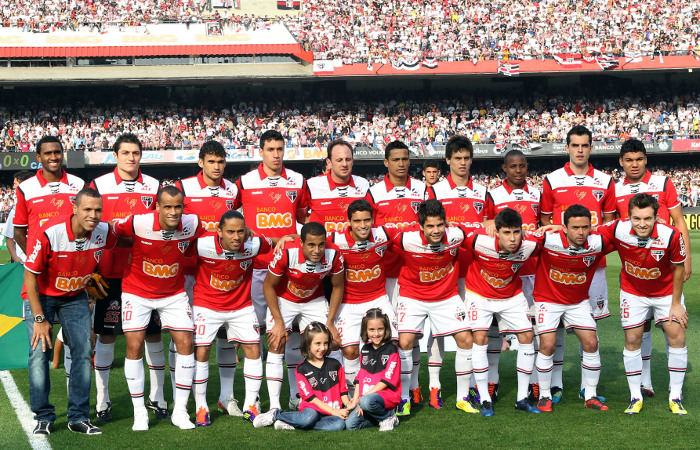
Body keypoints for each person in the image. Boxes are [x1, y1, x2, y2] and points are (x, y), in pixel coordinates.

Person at [112, 185, 206, 431]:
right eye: (168, 207)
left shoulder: (193, 223)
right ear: (157, 207)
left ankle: (180, 411)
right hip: (137, 291)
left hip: (173, 293)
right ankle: (139, 412)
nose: (174, 212)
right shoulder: (138, 222)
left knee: (186, 343)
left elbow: (213, 237)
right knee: (133, 345)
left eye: (178, 206)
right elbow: (113, 230)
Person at [23, 188, 116, 435]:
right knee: (39, 354)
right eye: (87, 209)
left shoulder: (104, 231)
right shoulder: (50, 231)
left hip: (75, 297)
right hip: (42, 296)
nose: (93, 215)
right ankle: (43, 417)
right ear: (74, 208)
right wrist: (40, 318)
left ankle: (78, 417)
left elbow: (126, 239)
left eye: (98, 210)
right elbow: (29, 277)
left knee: (84, 352)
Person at [89, 133, 164, 422]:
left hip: (147, 274)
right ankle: (103, 400)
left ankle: (157, 398)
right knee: (107, 335)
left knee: (153, 334)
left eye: (136, 153)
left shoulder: (154, 186)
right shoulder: (99, 185)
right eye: (126, 153)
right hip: (109, 273)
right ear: (116, 156)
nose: (131, 158)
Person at [539, 125, 616, 403]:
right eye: (575, 145)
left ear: (591, 147)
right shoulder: (552, 179)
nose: (580, 150)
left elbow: (608, 223)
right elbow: (545, 221)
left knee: (589, 327)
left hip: (593, 265)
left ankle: (588, 388)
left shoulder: (606, 181)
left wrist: (591, 248)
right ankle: (555, 385)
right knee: (555, 328)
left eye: (585, 145)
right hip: (558, 264)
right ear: (567, 147)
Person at [235, 130, 308, 409]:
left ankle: (293, 395)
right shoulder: (246, 181)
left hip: (287, 267)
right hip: (255, 267)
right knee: (254, 335)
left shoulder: (298, 180)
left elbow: (302, 217)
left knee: (287, 332)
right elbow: (230, 215)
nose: (276, 154)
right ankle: (252, 399)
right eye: (271, 149)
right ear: (261, 151)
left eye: (280, 149)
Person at [615, 138, 692, 398]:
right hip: (636, 270)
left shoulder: (662, 182)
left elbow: (679, 221)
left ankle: (675, 387)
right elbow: (614, 229)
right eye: (629, 160)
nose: (634, 164)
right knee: (641, 328)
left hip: (664, 265)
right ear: (621, 162)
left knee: (673, 327)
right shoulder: (615, 190)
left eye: (639, 159)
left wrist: (687, 258)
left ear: (646, 160)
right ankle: (645, 383)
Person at [598, 194, 688, 415]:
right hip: (633, 292)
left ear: (657, 217)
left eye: (648, 218)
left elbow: (679, 268)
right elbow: (586, 231)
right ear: (628, 217)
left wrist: (676, 304)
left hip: (666, 293)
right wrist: (559, 228)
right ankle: (635, 396)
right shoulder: (618, 228)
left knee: (677, 335)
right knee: (632, 338)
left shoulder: (671, 235)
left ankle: (675, 396)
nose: (642, 224)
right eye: (637, 218)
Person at [175, 140, 242, 417]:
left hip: (222, 271)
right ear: (201, 162)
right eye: (211, 161)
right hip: (189, 270)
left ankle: (227, 396)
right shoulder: (184, 187)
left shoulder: (233, 190)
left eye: (221, 161)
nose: (217, 167)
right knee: (183, 335)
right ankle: (182, 397)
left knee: (227, 334)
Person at [394, 199, 478, 417]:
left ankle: (462, 398)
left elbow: (483, 233)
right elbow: (377, 234)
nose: (436, 230)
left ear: (446, 223)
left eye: (440, 225)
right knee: (404, 342)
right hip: (413, 296)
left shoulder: (457, 235)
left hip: (446, 297)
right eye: (430, 226)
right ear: (420, 226)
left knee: (466, 340)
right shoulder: (406, 238)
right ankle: (403, 398)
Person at [191, 210, 272, 426]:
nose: (236, 237)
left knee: (254, 348)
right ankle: (201, 406)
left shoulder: (254, 244)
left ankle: (251, 405)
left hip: (240, 306)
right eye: (230, 232)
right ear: (219, 232)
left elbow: (273, 243)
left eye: (240, 231)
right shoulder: (201, 244)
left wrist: (287, 238)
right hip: (206, 305)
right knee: (201, 351)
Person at [532, 205, 613, 412]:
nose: (580, 232)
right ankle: (544, 395)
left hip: (578, 302)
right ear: (564, 228)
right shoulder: (547, 240)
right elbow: (517, 235)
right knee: (548, 345)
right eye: (575, 227)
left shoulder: (598, 242)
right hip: (547, 301)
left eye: (585, 227)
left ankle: (591, 394)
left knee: (591, 342)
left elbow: (622, 228)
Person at [366, 140, 428, 407]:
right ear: (386, 162)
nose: (401, 164)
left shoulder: (424, 189)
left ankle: (414, 387)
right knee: (394, 335)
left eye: (405, 159)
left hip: (415, 271)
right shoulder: (375, 192)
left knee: (411, 334)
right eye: (396, 159)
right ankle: (390, 389)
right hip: (386, 275)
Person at [427, 135, 487, 409]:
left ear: (471, 160)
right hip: (445, 271)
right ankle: (433, 387)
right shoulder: (436, 190)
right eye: (457, 159)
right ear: (448, 161)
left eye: (467, 158)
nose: (462, 163)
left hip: (474, 270)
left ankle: (472, 387)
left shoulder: (482, 191)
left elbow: (487, 227)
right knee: (436, 332)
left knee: (473, 331)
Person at [464, 208, 540, 416]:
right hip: (479, 296)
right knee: (480, 338)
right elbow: (454, 231)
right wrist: (484, 225)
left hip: (511, 296)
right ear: (496, 232)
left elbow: (552, 237)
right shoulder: (479, 241)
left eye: (516, 232)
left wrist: (559, 226)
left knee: (527, 336)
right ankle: (485, 399)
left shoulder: (530, 244)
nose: (513, 238)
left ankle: (522, 398)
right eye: (506, 233)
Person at [263, 222, 344, 413]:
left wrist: (330, 322)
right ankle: (275, 406)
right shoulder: (286, 252)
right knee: (277, 342)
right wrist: (280, 322)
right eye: (311, 245)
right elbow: (268, 286)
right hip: (284, 299)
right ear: (301, 243)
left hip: (313, 299)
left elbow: (338, 286)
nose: (317, 250)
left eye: (321, 245)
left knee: (332, 343)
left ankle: (333, 398)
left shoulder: (334, 253)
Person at [484, 150, 541, 400]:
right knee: (493, 327)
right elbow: (487, 229)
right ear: (504, 168)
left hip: (532, 271)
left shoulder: (537, 193)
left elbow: (542, 229)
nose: (518, 171)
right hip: (502, 271)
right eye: (513, 167)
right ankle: (492, 381)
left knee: (534, 329)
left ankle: (535, 382)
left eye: (522, 166)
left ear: (527, 167)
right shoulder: (493, 195)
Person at [328, 199, 398, 392]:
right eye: (357, 221)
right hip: (348, 303)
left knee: (391, 345)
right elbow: (310, 240)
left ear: (372, 220)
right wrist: (287, 238)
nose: (363, 225)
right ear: (349, 221)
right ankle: (353, 395)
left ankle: (391, 393)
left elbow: (413, 231)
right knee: (350, 351)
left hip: (378, 298)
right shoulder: (334, 240)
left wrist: (448, 227)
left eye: (367, 220)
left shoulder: (383, 234)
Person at [253, 322, 349, 431]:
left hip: (331, 411)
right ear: (308, 344)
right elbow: (311, 399)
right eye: (318, 343)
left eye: (326, 343)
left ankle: (293, 424)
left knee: (339, 425)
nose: (322, 348)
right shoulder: (301, 369)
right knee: (308, 418)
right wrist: (333, 411)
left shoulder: (335, 364)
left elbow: (343, 392)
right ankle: (275, 415)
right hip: (312, 409)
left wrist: (349, 406)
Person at [14, 135, 85, 256]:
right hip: (42, 265)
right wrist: (34, 259)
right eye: (48, 153)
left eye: (57, 152)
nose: (53, 157)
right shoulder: (25, 188)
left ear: (62, 154)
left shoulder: (79, 184)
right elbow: (19, 232)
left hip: (73, 260)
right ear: (39, 157)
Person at [345, 308, 401, 431]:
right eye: (371, 329)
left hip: (386, 396)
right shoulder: (365, 348)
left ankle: (389, 416)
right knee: (350, 425)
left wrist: (362, 399)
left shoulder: (392, 349)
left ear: (386, 328)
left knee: (366, 402)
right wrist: (355, 400)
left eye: (380, 329)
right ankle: (379, 418)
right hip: (366, 398)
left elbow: (387, 380)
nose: (376, 333)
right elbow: (360, 376)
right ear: (366, 330)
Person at [306, 139, 370, 232]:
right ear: (329, 162)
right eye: (339, 160)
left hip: (354, 246)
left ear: (353, 161)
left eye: (348, 159)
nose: (344, 164)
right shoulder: (312, 184)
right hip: (324, 245)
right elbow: (301, 216)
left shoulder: (363, 184)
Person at [3, 169, 33, 264]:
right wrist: (15, 257)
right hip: (22, 262)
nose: (13, 187)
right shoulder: (14, 210)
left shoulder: (42, 205)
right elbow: (9, 237)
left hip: (40, 262)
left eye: (15, 184)